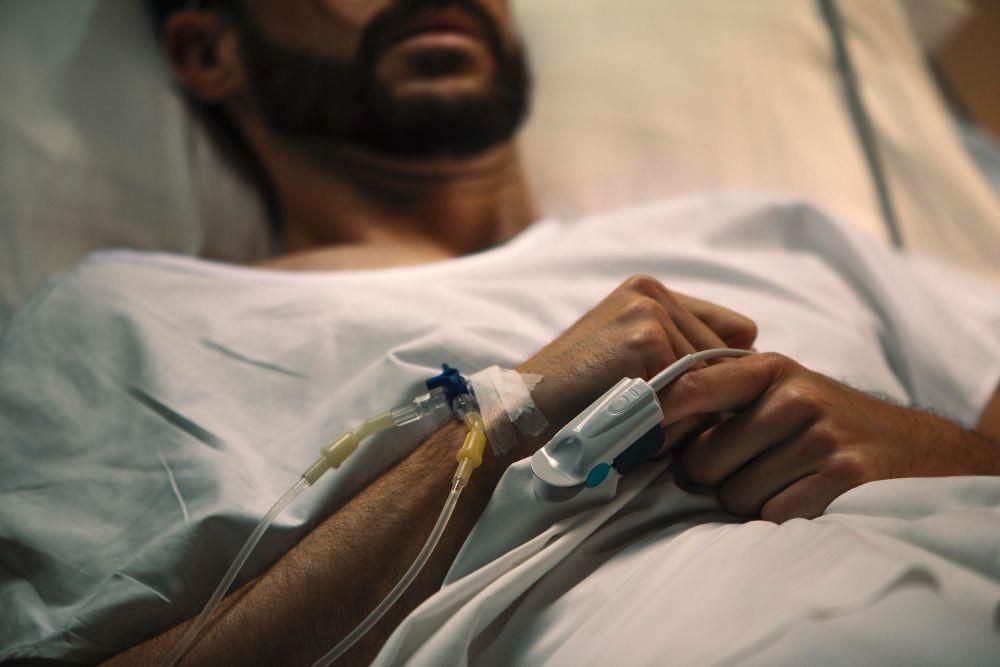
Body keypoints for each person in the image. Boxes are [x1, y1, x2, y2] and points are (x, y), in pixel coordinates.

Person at [2, 0, 998, 664]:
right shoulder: (123, 323)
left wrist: (934, 449)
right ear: (208, 50)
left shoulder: (770, 235)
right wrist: (507, 415)